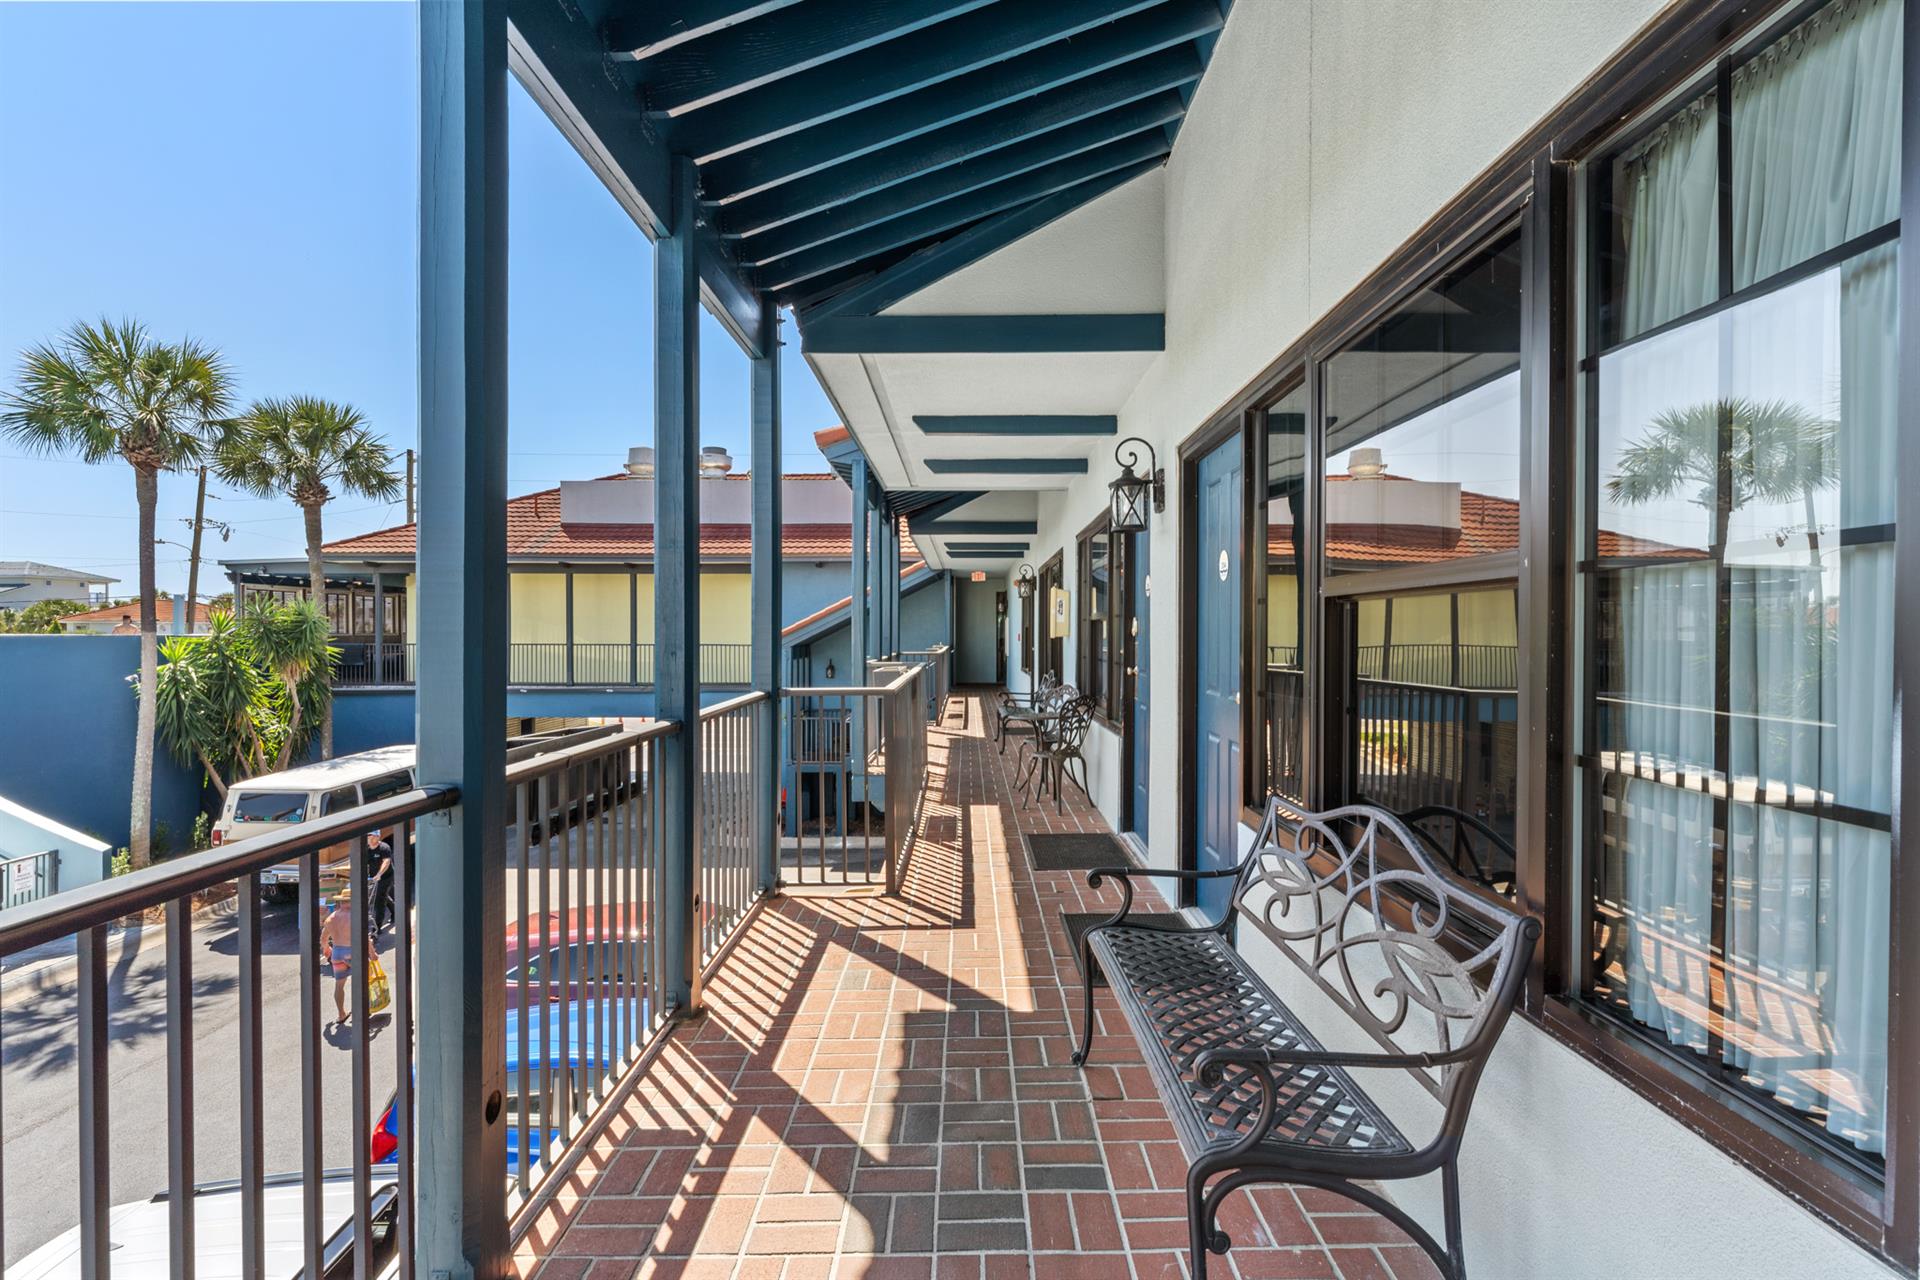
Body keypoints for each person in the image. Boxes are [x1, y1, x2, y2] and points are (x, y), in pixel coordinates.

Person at [318, 886, 360, 1026]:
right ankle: (363, 1009)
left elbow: (323, 938)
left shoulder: (331, 918)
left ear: (341, 901)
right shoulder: (355, 916)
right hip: (353, 952)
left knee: (339, 985)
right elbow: (363, 938)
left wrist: (326, 949)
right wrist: (372, 953)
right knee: (363, 980)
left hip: (337, 953)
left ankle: (341, 1014)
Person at [365, 830, 395, 932]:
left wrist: (379, 874)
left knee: (379, 900)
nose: (369, 838)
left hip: (386, 876)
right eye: (368, 836)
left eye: (371, 836)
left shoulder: (384, 847)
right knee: (382, 895)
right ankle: (394, 911)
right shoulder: (366, 849)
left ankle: (377, 927)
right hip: (373, 877)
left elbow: (386, 862)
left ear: (377, 837)